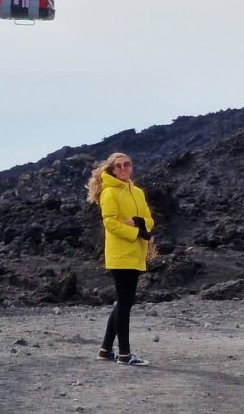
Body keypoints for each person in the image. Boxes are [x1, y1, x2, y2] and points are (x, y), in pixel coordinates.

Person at [86, 152, 154, 367]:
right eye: (119, 166)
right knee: (125, 303)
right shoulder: (109, 193)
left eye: (127, 164)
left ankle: (106, 350)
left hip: (135, 253)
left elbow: (149, 220)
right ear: (112, 170)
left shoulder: (138, 192)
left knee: (123, 302)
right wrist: (134, 232)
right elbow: (110, 223)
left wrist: (138, 222)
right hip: (120, 254)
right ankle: (124, 354)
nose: (124, 168)